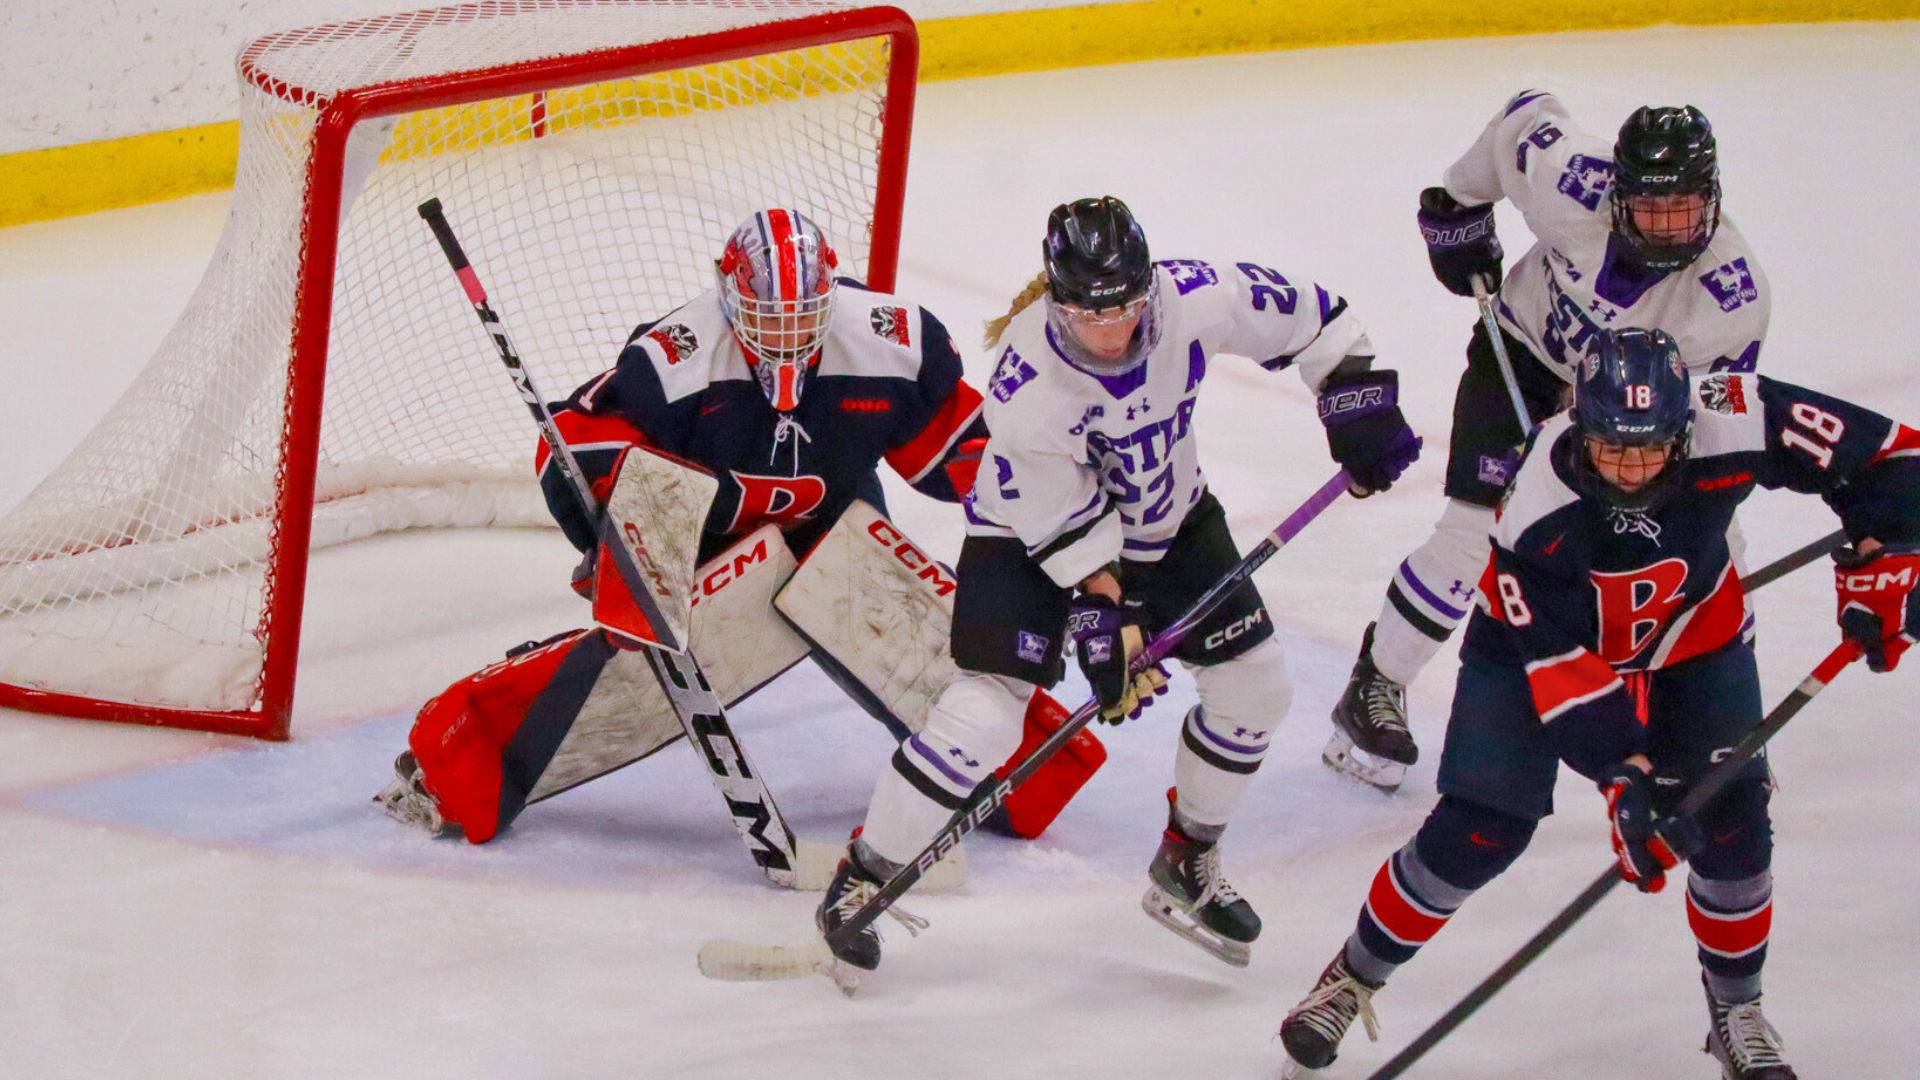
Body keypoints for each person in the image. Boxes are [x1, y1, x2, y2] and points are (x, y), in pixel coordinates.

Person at [1276, 328, 1920, 1080]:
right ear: (1579, 423)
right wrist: (1625, 778)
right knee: (1480, 830)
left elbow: (1892, 457)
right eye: (1612, 447)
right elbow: (1564, 673)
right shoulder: (1534, 506)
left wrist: (1894, 553)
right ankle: (1351, 979)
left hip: (1693, 638)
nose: (1631, 468)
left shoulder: (1738, 414)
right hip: (1536, 652)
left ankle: (1737, 1010)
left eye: (1650, 450)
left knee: (1734, 825)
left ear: (1685, 428)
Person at [812, 196, 1422, 974]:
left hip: (1170, 517)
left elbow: (1316, 317)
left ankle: (1186, 862)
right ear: (1055, 298)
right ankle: (863, 878)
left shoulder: (1193, 297)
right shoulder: (1028, 383)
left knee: (1256, 690)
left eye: (1128, 308)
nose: (1113, 331)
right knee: (982, 720)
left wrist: (1356, 399)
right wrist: (1109, 616)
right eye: (1088, 314)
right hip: (1028, 540)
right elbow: (1069, 531)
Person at [375, 208, 1009, 844]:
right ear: (727, 294)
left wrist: (1046, 540)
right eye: (766, 317)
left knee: (901, 617)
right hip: (710, 535)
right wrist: (628, 538)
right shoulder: (677, 356)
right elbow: (571, 444)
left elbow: (970, 453)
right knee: (634, 671)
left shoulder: (892, 342)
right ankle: (457, 762)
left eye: (801, 314)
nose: (785, 336)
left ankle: (1016, 773)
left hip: (833, 516)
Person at [1327, 91, 1772, 792]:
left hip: (1637, 416)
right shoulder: (1571, 175)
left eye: (1682, 207)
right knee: (1475, 536)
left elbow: (1720, 422)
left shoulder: (1729, 298)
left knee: (1713, 552)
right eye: (1650, 207)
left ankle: (1723, 732)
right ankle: (1374, 685)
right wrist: (1458, 206)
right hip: (1526, 362)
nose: (1665, 226)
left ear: (1711, 199)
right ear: (1616, 193)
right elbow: (1519, 117)